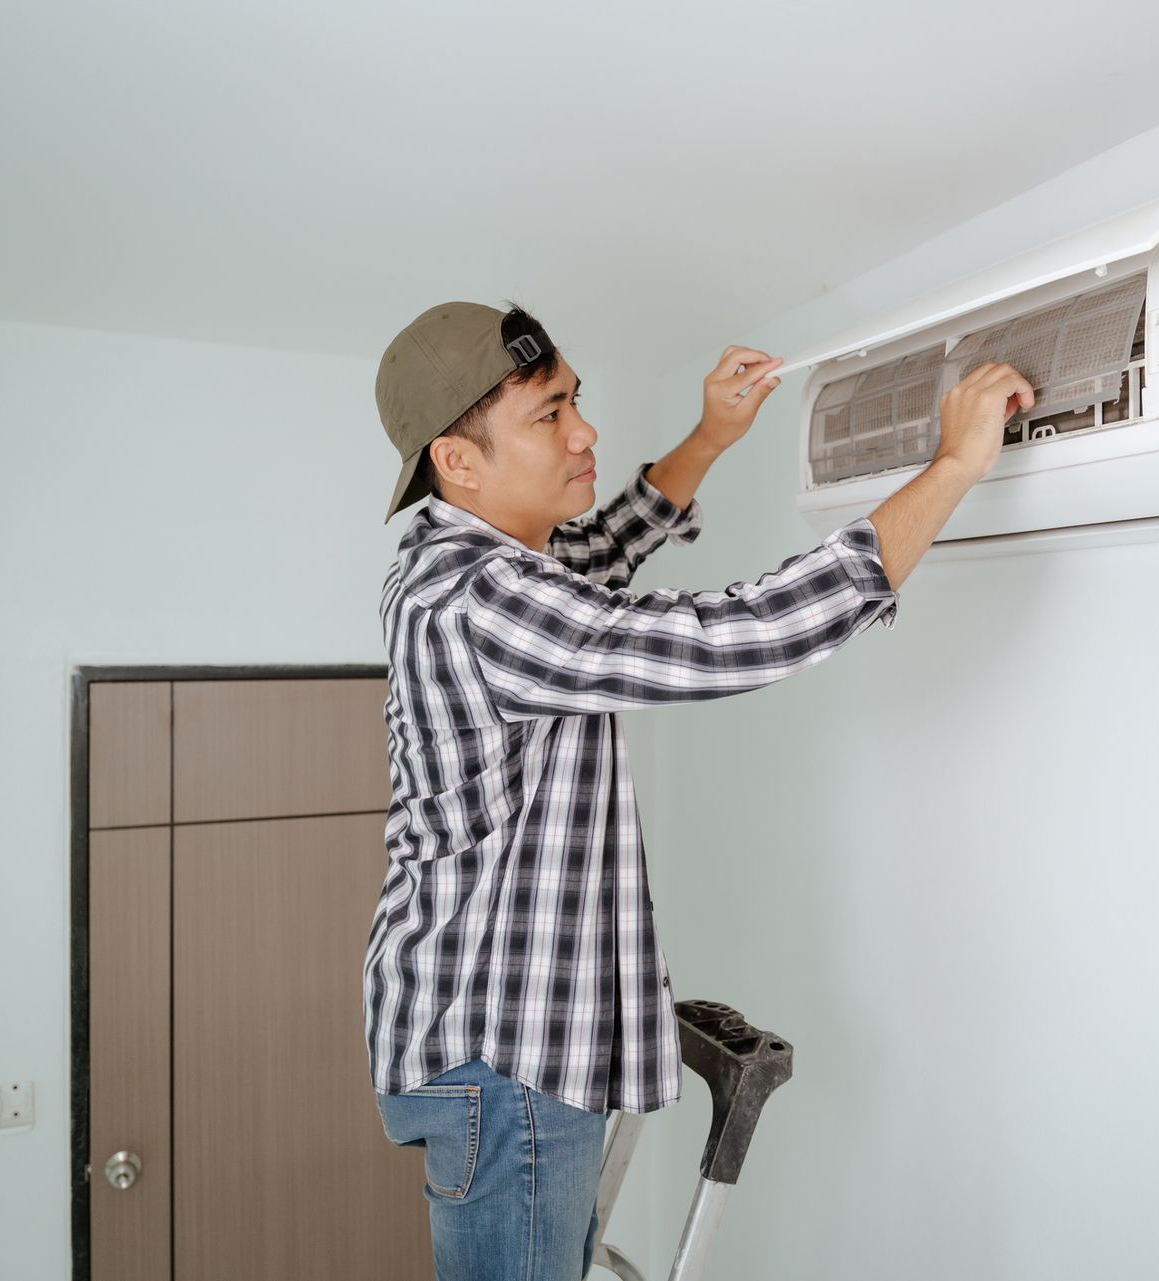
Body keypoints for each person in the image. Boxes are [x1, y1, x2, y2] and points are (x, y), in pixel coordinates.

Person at [362, 299, 1031, 1280]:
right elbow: (731, 636)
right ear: (458, 462)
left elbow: (592, 558)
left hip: (477, 1030)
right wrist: (954, 469)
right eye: (548, 415)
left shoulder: (459, 553)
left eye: (575, 400)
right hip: (510, 1060)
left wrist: (712, 437)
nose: (585, 430)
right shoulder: (484, 601)